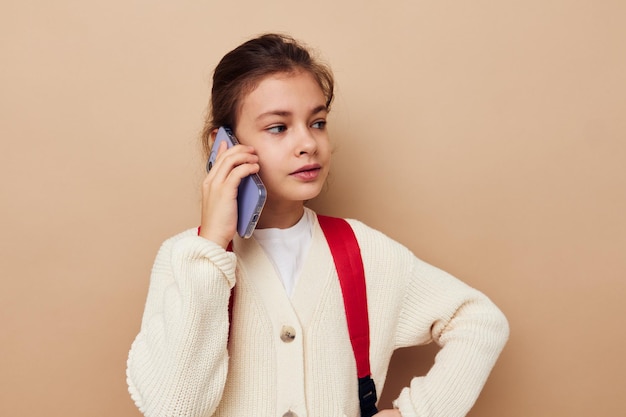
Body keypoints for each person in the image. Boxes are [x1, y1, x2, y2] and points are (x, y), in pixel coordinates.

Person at [126, 33, 509, 417]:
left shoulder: (364, 250)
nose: (308, 143)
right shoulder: (187, 259)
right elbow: (173, 409)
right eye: (278, 127)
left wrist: (419, 412)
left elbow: (479, 321)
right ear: (223, 145)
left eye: (318, 122)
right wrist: (211, 246)